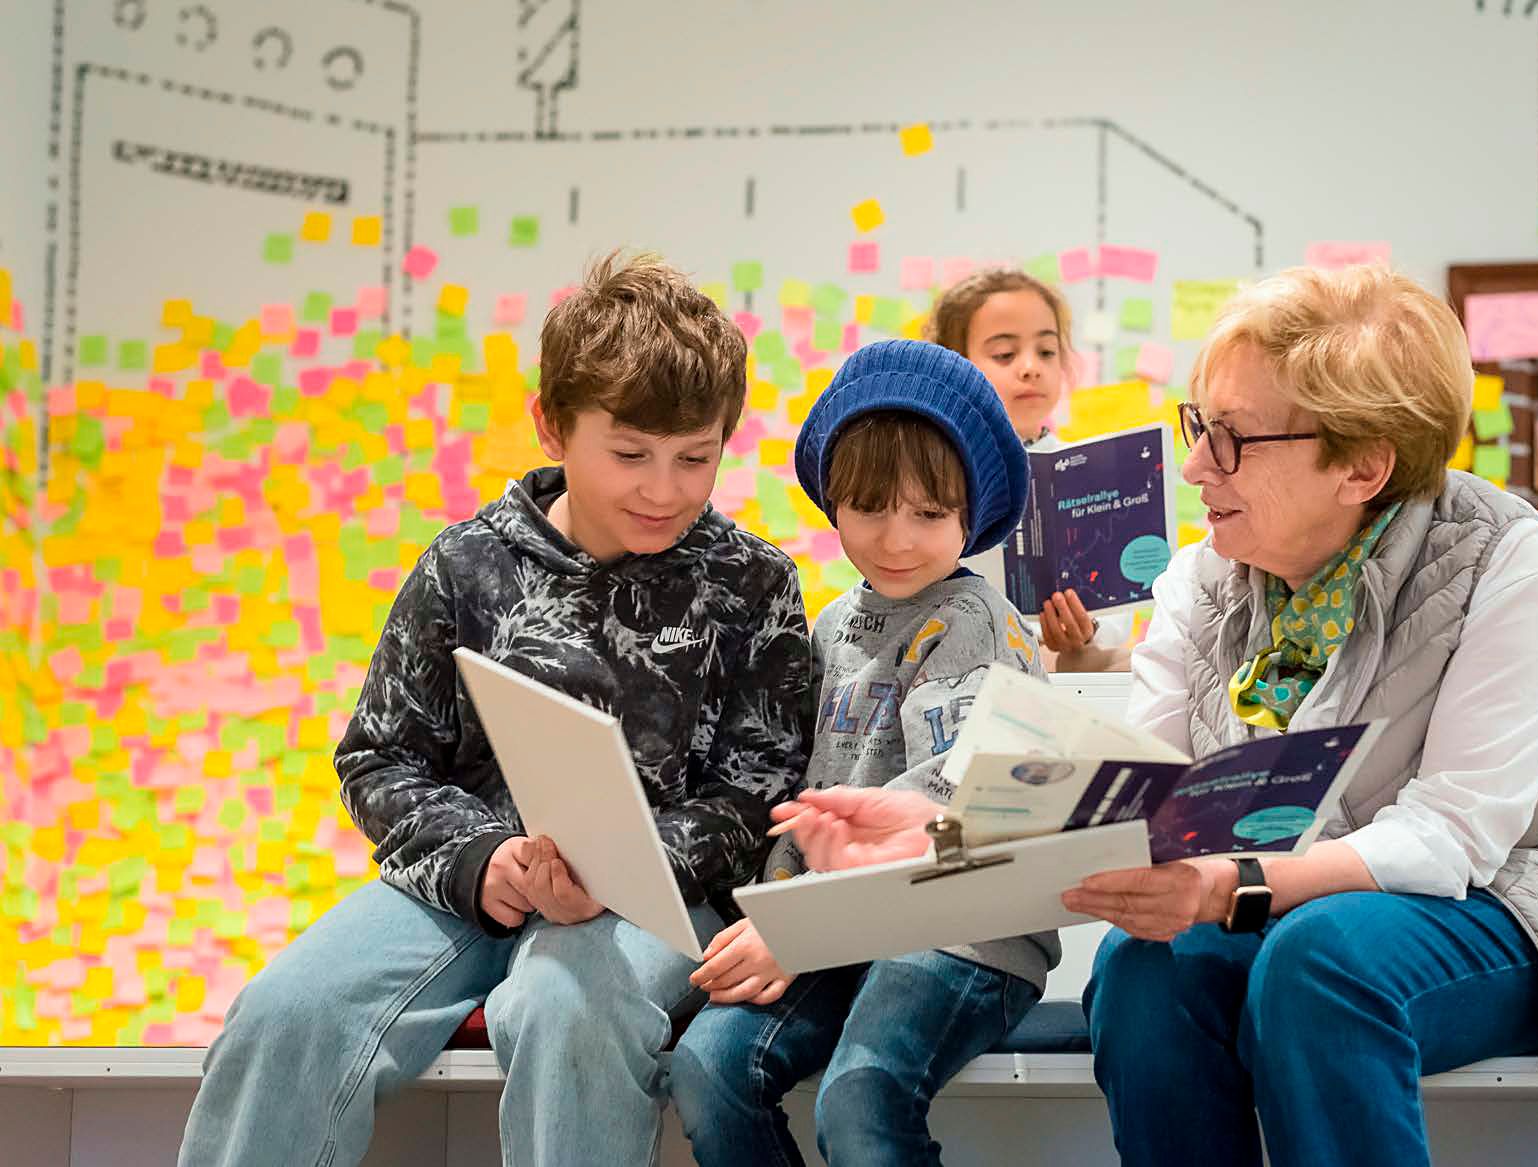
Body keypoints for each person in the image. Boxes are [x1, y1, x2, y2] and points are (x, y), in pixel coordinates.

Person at [773, 265, 1538, 1167]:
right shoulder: (1202, 580)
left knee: (1320, 961)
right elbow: (1138, 799)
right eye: (1199, 426)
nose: (1198, 465)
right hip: (1294, 910)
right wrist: (945, 826)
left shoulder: (1504, 560)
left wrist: (1230, 883)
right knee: (1139, 973)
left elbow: (1453, 838)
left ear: (1362, 465)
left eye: (1234, 440)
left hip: (1521, 906)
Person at [178, 253, 814, 1167]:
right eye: (630, 453)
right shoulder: (465, 565)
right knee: (290, 1010)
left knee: (561, 1011)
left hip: (656, 902)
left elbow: (762, 789)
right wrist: (487, 862)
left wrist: (623, 868)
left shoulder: (753, 585)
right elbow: (380, 759)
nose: (664, 488)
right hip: (469, 886)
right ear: (553, 426)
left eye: (696, 457)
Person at [667, 339, 1052, 1167]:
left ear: (970, 515)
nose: (896, 538)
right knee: (706, 1066)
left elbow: (939, 816)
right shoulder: (832, 624)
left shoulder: (975, 623)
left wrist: (800, 922)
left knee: (861, 1093)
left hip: (964, 929)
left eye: (928, 513)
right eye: (870, 506)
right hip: (835, 930)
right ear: (832, 500)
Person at [926, 269, 1132, 672]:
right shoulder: (934, 473)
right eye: (1004, 354)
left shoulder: (1087, 470)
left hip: (1059, 663)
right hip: (959, 656)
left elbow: (1115, 615)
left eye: (1046, 352)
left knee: (1129, 663)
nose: (1030, 367)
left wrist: (1087, 629)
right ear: (954, 366)